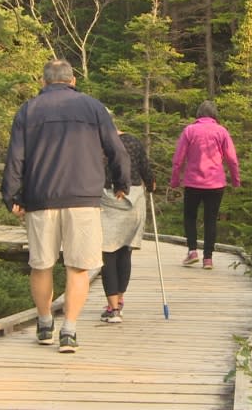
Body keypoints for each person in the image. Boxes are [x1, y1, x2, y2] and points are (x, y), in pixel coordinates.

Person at [1, 59, 130, 353]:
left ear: (43, 82)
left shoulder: (28, 110)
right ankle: (69, 331)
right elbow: (116, 149)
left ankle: (45, 322)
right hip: (82, 199)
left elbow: (15, 157)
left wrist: (12, 195)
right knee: (78, 267)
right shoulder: (94, 108)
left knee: (41, 264)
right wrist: (121, 183)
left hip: (40, 198)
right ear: (73, 81)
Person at [170, 100, 240, 270]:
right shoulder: (222, 131)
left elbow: (178, 159)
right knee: (211, 220)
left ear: (199, 114)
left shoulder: (190, 130)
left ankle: (192, 251)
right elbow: (232, 159)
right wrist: (236, 180)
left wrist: (174, 180)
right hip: (216, 183)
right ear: (214, 114)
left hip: (193, 182)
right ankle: (208, 258)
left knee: (190, 217)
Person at [99, 116, 156, 323]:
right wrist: (150, 184)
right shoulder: (132, 141)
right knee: (125, 251)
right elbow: (146, 170)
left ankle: (113, 308)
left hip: (106, 200)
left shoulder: (97, 145)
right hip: (134, 198)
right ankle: (120, 300)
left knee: (108, 255)